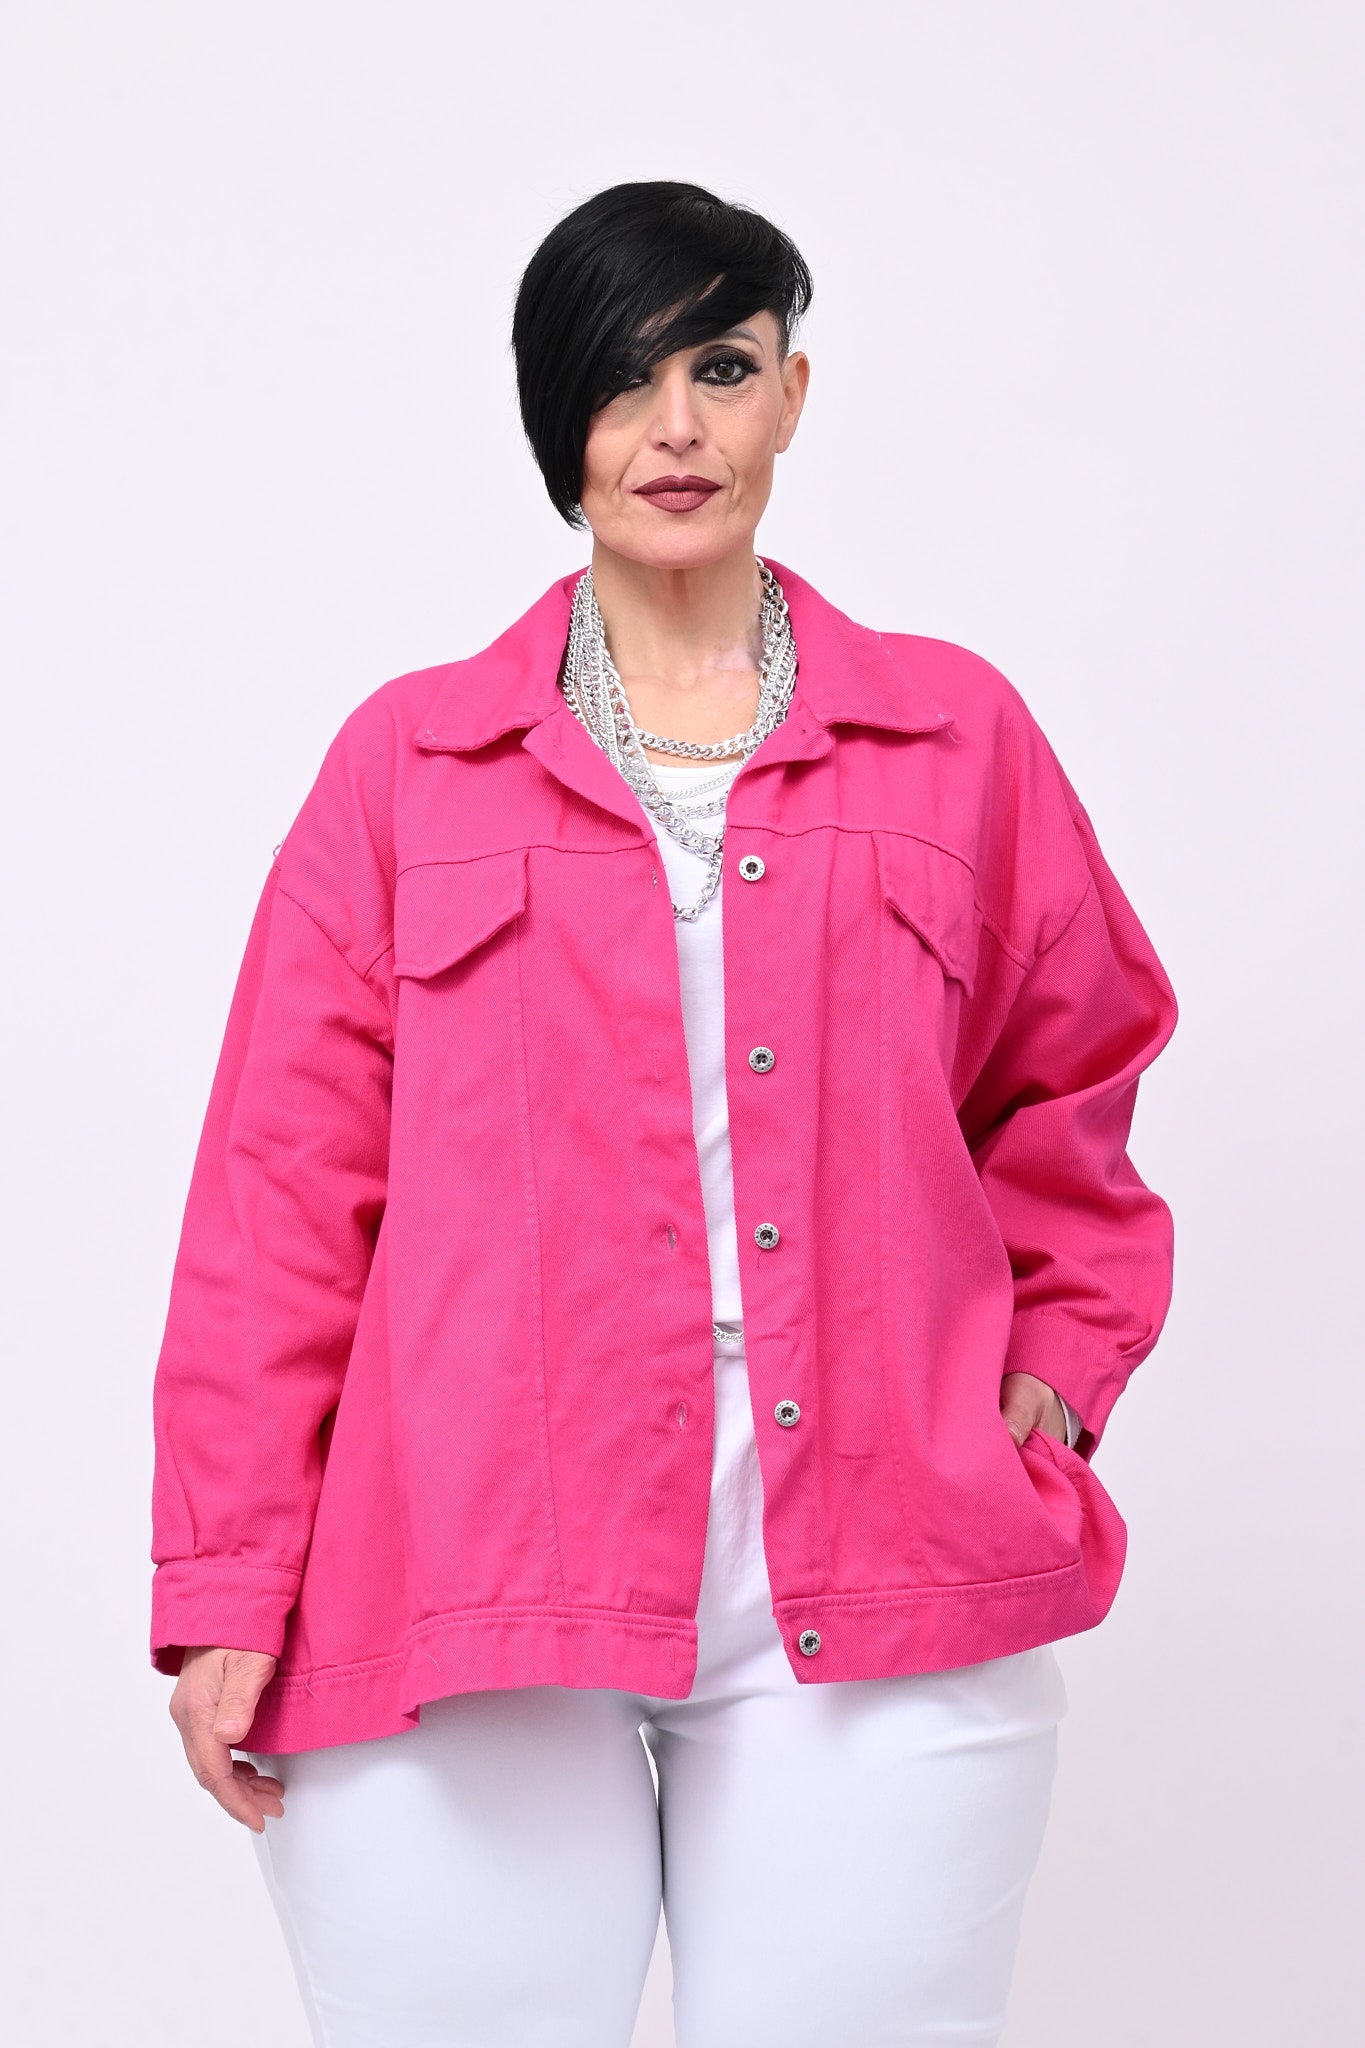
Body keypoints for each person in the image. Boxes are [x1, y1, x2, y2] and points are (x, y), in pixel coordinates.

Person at [149, 181, 1177, 2047]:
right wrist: (230, 1580)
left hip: (881, 1545)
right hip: (461, 1556)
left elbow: (1073, 1077)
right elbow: (279, 1194)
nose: (674, 428)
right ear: (556, 418)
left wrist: (1056, 1363)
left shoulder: (954, 738)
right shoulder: (409, 766)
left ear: (793, 395)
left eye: (720, 367)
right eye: (622, 381)